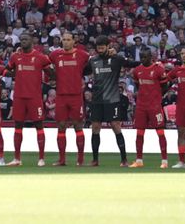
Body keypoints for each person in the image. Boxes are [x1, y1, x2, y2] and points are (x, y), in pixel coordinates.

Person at [85, 35, 138, 166]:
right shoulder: (93, 60)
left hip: (112, 99)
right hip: (97, 100)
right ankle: (95, 160)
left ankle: (124, 160)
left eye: (102, 47)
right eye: (98, 47)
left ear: (108, 46)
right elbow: (82, 71)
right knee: (95, 127)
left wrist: (150, 62)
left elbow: (132, 63)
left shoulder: (116, 59)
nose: (100, 49)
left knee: (116, 126)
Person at [6, 33, 52, 166]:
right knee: (18, 125)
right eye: (21, 40)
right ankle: (17, 159)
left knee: (39, 125)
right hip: (19, 96)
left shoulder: (40, 57)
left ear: (31, 41)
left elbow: (51, 72)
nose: (23, 42)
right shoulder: (15, 56)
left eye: (25, 39)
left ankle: (41, 158)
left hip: (35, 97)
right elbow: (6, 71)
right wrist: (17, 73)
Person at [49, 31, 89, 166]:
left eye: (68, 39)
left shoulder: (82, 55)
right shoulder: (55, 55)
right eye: (64, 39)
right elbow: (45, 64)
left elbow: (93, 63)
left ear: (74, 41)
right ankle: (62, 160)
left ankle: (80, 160)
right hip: (61, 96)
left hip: (76, 96)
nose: (65, 42)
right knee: (61, 127)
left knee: (78, 126)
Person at [129, 49, 169, 168]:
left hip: (155, 106)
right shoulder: (137, 71)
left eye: (145, 57)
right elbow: (137, 85)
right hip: (141, 106)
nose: (143, 59)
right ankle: (139, 160)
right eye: (141, 57)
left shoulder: (159, 70)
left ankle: (164, 161)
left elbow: (165, 86)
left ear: (151, 57)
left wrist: (156, 97)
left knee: (160, 132)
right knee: (139, 132)